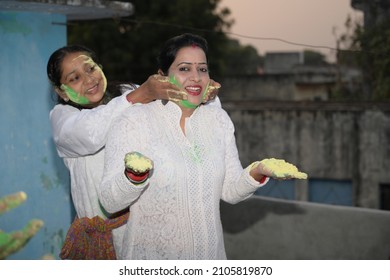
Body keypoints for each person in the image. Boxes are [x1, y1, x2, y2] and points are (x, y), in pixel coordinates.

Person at [98, 33, 307, 260]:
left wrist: (259, 170)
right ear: (162, 76)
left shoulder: (218, 120)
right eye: (185, 69)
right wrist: (133, 177)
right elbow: (110, 201)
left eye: (203, 69)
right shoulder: (134, 121)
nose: (196, 78)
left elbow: (230, 190)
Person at [47, 44, 222, 259]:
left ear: (100, 67)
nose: (89, 79)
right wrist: (143, 94)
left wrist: (205, 95)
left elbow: (186, 112)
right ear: (61, 92)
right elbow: (92, 133)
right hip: (101, 242)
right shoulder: (63, 119)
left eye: (90, 68)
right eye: (74, 78)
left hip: (146, 233)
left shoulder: (129, 92)